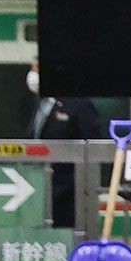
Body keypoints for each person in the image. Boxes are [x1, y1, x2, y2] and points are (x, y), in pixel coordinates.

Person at [27, 61, 103, 228]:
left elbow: (94, 147)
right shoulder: (41, 104)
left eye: (37, 68)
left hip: (69, 196)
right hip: (38, 192)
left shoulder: (79, 104)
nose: (32, 75)